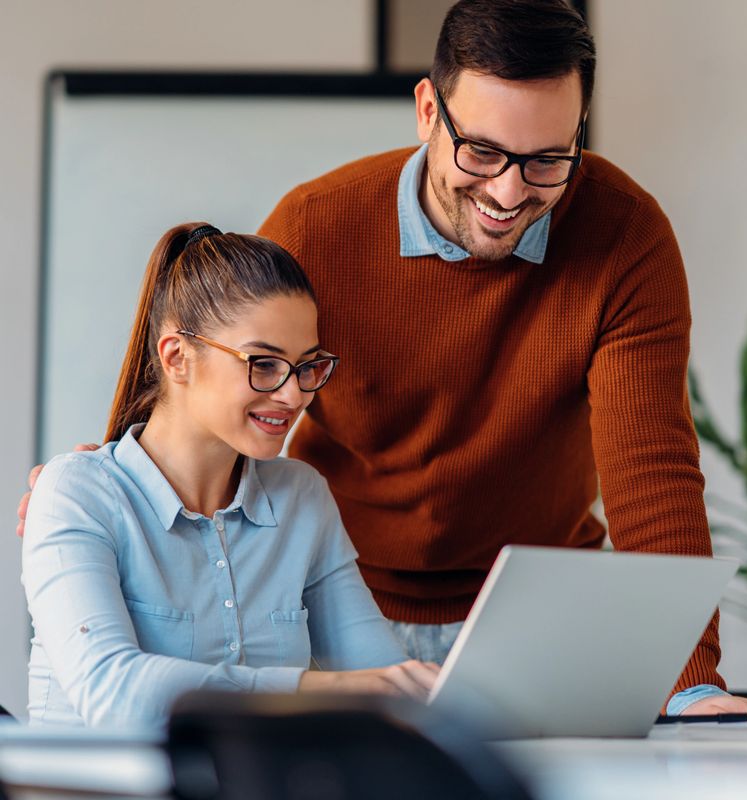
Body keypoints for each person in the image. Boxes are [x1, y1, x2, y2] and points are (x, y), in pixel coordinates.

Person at [17, 0, 747, 725]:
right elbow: (223, 359)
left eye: (546, 160)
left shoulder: (625, 237)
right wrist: (117, 478)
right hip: (343, 596)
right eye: (483, 151)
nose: (509, 191)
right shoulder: (318, 225)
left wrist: (688, 683)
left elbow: (651, 468)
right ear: (428, 110)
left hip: (533, 615)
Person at [22, 223, 437, 728]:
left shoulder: (301, 497)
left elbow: (381, 676)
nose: (293, 395)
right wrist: (318, 688)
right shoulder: (77, 493)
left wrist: (423, 692)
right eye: (264, 364)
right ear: (177, 357)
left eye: (307, 366)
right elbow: (112, 691)